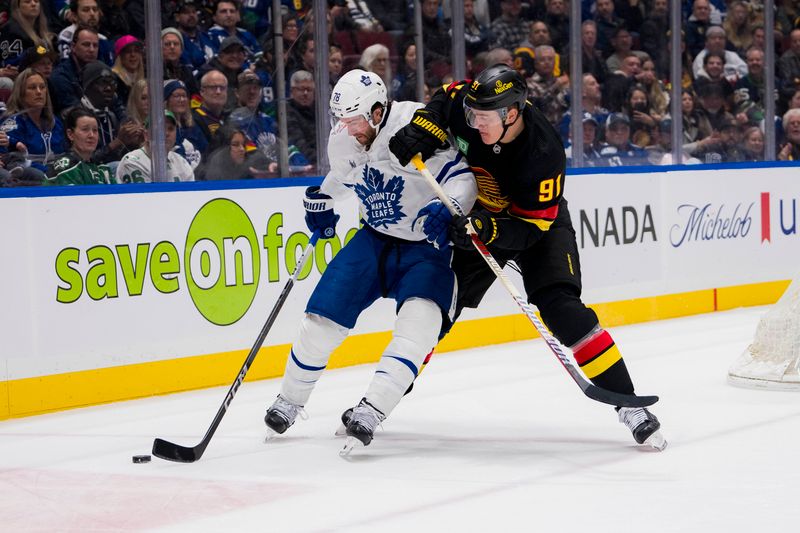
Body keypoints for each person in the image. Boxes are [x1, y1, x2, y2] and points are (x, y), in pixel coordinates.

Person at [388, 64, 666, 450]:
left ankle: (629, 405)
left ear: (512, 114)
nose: (475, 123)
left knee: (562, 309)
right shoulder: (472, 103)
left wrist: (487, 230)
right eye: (473, 115)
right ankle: (381, 400)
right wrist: (425, 127)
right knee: (437, 308)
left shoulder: (543, 151)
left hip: (534, 226)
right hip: (477, 215)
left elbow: (531, 228)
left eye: (483, 118)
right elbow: (443, 98)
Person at [263, 69, 476, 450]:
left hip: (426, 246)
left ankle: (372, 410)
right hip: (374, 239)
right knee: (320, 319)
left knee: (418, 327)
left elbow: (463, 178)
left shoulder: (418, 123)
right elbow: (345, 179)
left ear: (378, 111)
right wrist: (321, 200)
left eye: (354, 120)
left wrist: (451, 207)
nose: (346, 128)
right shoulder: (344, 137)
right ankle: (289, 401)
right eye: (339, 119)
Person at [1, 67, 66, 178]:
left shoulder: (55, 122)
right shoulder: (12, 123)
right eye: (32, 88)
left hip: (57, 176)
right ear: (20, 93)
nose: (39, 92)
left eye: (42, 87)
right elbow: (10, 159)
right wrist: (48, 171)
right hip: (28, 180)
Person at [116, 110, 195, 183]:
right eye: (161, 128)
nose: (166, 133)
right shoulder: (132, 161)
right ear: (146, 135)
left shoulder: (181, 162)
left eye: (170, 129)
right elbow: (144, 196)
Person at [44, 106, 114, 185]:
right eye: (85, 129)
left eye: (95, 130)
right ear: (70, 134)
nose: (91, 135)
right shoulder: (66, 165)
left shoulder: (102, 168)